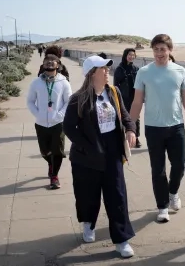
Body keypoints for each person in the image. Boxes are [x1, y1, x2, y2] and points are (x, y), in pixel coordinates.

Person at [63, 55, 137, 258]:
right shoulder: (78, 98)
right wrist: (88, 147)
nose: (107, 72)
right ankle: (88, 223)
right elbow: (69, 127)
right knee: (88, 194)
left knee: (117, 196)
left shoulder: (113, 92)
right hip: (86, 156)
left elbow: (125, 115)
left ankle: (122, 239)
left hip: (112, 151)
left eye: (107, 69)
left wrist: (130, 129)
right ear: (91, 74)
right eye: (102, 69)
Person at [129, 34, 185, 223]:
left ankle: (173, 192)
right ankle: (162, 206)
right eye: (156, 49)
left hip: (176, 126)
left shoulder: (180, 71)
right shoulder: (144, 72)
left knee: (180, 165)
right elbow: (137, 102)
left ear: (170, 50)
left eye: (163, 49)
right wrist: (130, 128)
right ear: (153, 51)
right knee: (158, 169)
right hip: (153, 128)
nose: (159, 53)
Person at [26, 54, 72, 189]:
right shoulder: (36, 82)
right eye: (47, 61)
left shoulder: (64, 82)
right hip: (41, 123)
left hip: (58, 123)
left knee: (57, 151)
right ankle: (50, 163)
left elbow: (68, 102)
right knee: (45, 151)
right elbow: (29, 101)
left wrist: (60, 115)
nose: (50, 62)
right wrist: (38, 114)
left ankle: (54, 177)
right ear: (43, 65)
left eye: (53, 61)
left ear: (58, 65)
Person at [113, 48, 141, 148]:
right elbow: (115, 85)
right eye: (129, 55)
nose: (131, 57)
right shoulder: (120, 69)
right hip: (124, 98)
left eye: (133, 55)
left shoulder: (136, 69)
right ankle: (123, 137)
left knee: (136, 118)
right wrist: (116, 97)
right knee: (124, 117)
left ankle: (136, 138)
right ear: (125, 55)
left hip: (135, 97)